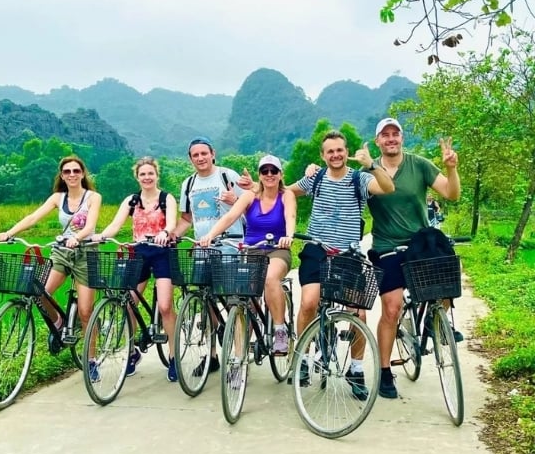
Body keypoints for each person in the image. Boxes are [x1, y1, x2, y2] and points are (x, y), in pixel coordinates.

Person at [290, 130, 394, 400]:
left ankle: (356, 369)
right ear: (323, 156)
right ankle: (303, 358)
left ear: (346, 152)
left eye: (339, 150)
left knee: (357, 313)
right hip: (316, 249)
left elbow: (387, 188)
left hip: (348, 254)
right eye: (329, 152)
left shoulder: (359, 178)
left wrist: (371, 164)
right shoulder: (317, 178)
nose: (335, 155)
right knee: (309, 303)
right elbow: (287, 192)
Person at [366, 117, 461, 399]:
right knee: (392, 308)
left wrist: (451, 168)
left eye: (396, 134)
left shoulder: (419, 164)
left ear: (402, 138)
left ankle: (436, 323)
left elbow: (451, 194)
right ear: (378, 142)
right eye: (386, 135)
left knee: (447, 274)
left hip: (420, 241)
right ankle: (384, 371)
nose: (391, 139)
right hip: (387, 245)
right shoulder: (368, 170)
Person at [0, 155, 103, 357]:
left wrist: (78, 238)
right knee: (40, 292)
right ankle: (59, 323)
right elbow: (34, 217)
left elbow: (90, 226)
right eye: (67, 171)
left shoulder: (93, 197)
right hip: (62, 252)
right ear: (62, 176)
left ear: (82, 174)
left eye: (76, 171)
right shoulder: (57, 198)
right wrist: (10, 233)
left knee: (86, 311)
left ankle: (91, 359)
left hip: (85, 253)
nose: (72, 175)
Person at [198, 154, 297, 355]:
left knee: (270, 278)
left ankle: (279, 331)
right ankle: (238, 360)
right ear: (259, 175)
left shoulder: (286, 195)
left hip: (277, 249)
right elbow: (230, 216)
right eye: (264, 171)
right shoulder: (249, 196)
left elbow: (291, 216)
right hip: (252, 250)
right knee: (243, 300)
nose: (269, 175)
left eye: (273, 171)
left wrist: (289, 235)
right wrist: (210, 235)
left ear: (280, 174)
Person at [169, 136, 252, 376]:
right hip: (201, 247)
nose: (200, 158)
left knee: (231, 300)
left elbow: (252, 207)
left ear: (212, 153)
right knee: (204, 302)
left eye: (204, 153)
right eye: (195, 155)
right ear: (190, 159)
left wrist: (234, 199)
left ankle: (238, 358)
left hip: (229, 244)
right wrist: (172, 235)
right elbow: (187, 219)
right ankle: (212, 355)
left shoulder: (229, 176)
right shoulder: (188, 184)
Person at [96, 156, 179, 381]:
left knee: (165, 306)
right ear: (137, 177)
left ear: (156, 175)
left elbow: (171, 223)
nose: (147, 177)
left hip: (162, 252)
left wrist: (164, 233)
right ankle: (132, 352)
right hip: (138, 252)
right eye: (142, 174)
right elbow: (115, 225)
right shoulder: (132, 201)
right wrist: (100, 236)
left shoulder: (166, 198)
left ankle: (174, 357)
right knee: (128, 304)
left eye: (150, 173)